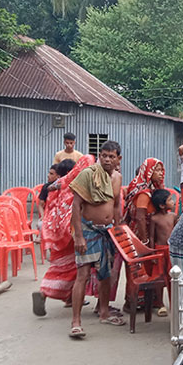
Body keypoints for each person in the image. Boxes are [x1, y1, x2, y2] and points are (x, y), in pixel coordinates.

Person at [68, 141, 124, 338]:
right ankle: (76, 322)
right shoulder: (87, 174)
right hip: (88, 230)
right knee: (82, 274)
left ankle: (104, 312)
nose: (107, 159)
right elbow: (76, 205)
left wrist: (118, 228)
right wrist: (79, 236)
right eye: (104, 155)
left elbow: (116, 205)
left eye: (111, 156)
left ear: (119, 159)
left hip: (107, 232)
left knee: (105, 274)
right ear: (99, 156)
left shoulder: (117, 178)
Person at [32, 155, 93, 316]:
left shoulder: (57, 187)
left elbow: (51, 208)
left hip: (56, 233)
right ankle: (49, 293)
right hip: (71, 235)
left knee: (58, 267)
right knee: (75, 268)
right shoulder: (74, 188)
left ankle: (60, 296)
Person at [149, 188, 178, 317]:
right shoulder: (154, 219)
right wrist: (152, 253)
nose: (173, 202)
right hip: (159, 250)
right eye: (170, 200)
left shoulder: (173, 216)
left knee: (173, 277)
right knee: (160, 279)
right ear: (162, 205)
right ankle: (160, 304)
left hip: (171, 250)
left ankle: (174, 303)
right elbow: (151, 237)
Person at [124, 158, 165, 244]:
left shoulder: (152, 188)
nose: (161, 173)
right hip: (140, 233)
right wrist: (144, 241)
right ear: (149, 171)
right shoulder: (144, 193)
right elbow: (140, 218)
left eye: (161, 170)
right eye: (157, 170)